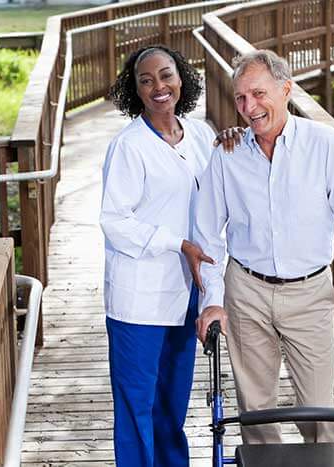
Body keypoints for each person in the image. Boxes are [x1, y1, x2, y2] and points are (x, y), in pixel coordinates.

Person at [188, 49, 334, 445]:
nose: (249, 107)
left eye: (258, 94)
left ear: (286, 89)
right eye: (240, 98)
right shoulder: (227, 153)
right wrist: (213, 298)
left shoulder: (324, 146)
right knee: (255, 410)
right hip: (247, 291)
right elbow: (207, 235)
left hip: (309, 292)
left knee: (319, 409)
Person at [100, 45, 216, 467]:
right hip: (139, 297)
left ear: (181, 78)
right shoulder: (129, 146)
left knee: (172, 404)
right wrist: (177, 243)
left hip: (186, 293)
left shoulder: (201, 135)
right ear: (135, 91)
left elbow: (222, 186)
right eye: (145, 81)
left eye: (165, 75)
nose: (158, 87)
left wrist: (239, 140)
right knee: (137, 406)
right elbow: (115, 221)